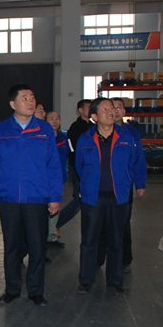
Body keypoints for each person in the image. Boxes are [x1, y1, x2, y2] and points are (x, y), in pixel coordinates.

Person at [0, 84, 63, 307]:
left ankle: (36, 291)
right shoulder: (1, 130)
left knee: (37, 246)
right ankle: (12, 289)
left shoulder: (44, 130)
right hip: (8, 198)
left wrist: (54, 197)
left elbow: (53, 166)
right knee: (11, 246)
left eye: (32, 97)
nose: (30, 101)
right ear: (12, 104)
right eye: (25, 98)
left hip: (36, 197)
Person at [76, 98, 147, 293]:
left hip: (119, 197)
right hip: (93, 198)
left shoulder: (126, 137)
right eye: (105, 109)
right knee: (89, 241)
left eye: (112, 109)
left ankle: (115, 281)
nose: (111, 112)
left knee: (116, 240)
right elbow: (79, 166)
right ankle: (86, 280)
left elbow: (137, 160)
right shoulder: (85, 139)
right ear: (94, 116)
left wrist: (139, 183)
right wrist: (88, 184)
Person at [96, 97, 145, 271]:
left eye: (118, 108)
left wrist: (140, 183)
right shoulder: (97, 132)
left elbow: (138, 159)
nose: (115, 111)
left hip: (124, 187)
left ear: (124, 111)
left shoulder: (131, 133)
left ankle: (124, 260)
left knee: (123, 224)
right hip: (102, 188)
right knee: (101, 224)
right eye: (111, 108)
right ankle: (98, 258)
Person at [55, 99, 92, 237]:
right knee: (79, 201)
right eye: (88, 107)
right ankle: (56, 224)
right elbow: (74, 151)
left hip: (92, 170)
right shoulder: (76, 128)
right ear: (80, 110)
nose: (91, 109)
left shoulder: (93, 126)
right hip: (79, 169)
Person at [46, 110, 69, 245]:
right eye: (51, 118)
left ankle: (52, 235)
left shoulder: (64, 138)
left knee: (55, 207)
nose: (54, 121)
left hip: (59, 179)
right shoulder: (43, 138)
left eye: (57, 119)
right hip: (45, 180)